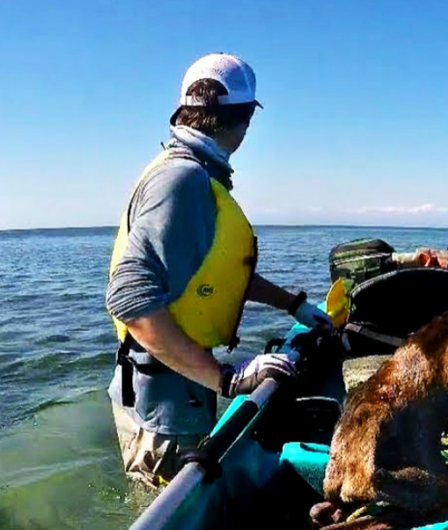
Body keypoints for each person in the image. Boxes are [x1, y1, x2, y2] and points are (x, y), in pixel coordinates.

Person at [105, 53, 341, 489]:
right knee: (170, 499)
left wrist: (294, 305)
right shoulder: (184, 181)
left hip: (177, 385)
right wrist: (228, 378)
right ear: (244, 119)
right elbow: (131, 300)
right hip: (165, 403)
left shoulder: (187, 172)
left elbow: (211, 275)